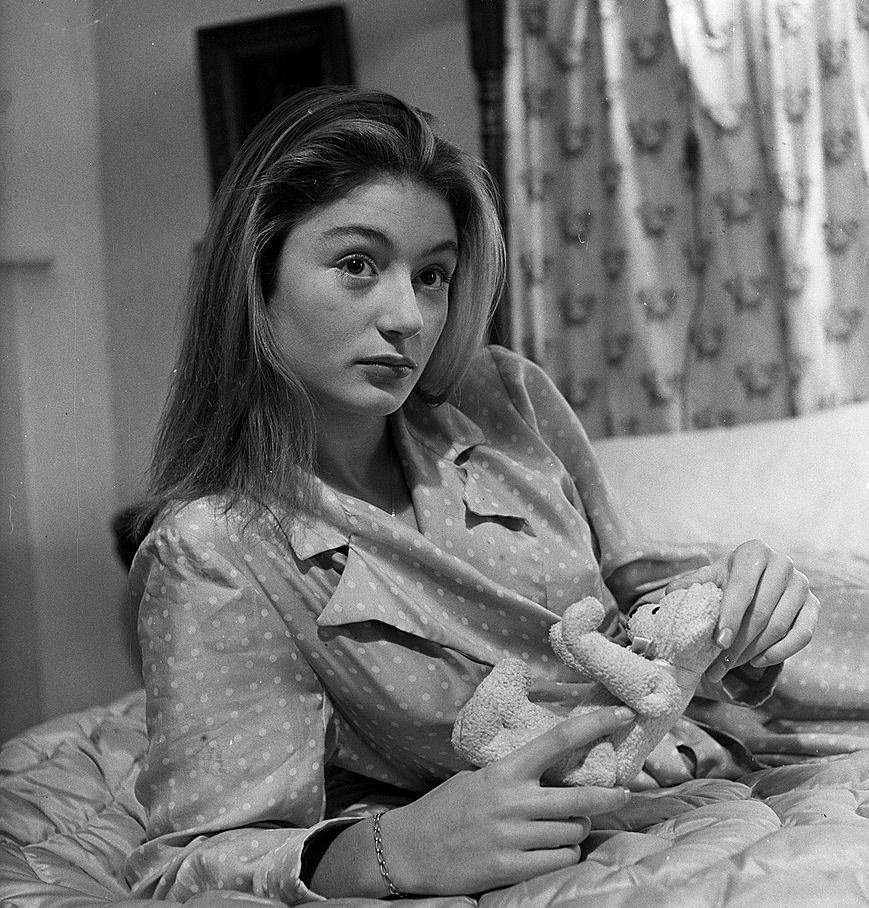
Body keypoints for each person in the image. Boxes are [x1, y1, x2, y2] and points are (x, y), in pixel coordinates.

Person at [126, 86, 819, 903]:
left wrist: (741, 604)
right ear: (257, 278)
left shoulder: (502, 393)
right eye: (357, 265)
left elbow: (635, 594)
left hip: (718, 742)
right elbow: (192, 860)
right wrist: (393, 849)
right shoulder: (218, 547)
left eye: (433, 276)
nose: (409, 316)